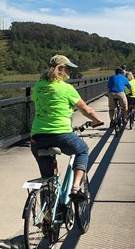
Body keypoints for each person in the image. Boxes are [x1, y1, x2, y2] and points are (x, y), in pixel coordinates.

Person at [30, 55, 104, 200]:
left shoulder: (39, 86)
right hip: (61, 134)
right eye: (69, 68)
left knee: (47, 179)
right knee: (82, 150)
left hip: (37, 136)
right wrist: (97, 120)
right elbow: (86, 110)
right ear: (61, 69)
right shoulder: (66, 88)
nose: (70, 72)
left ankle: (47, 214)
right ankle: (75, 189)